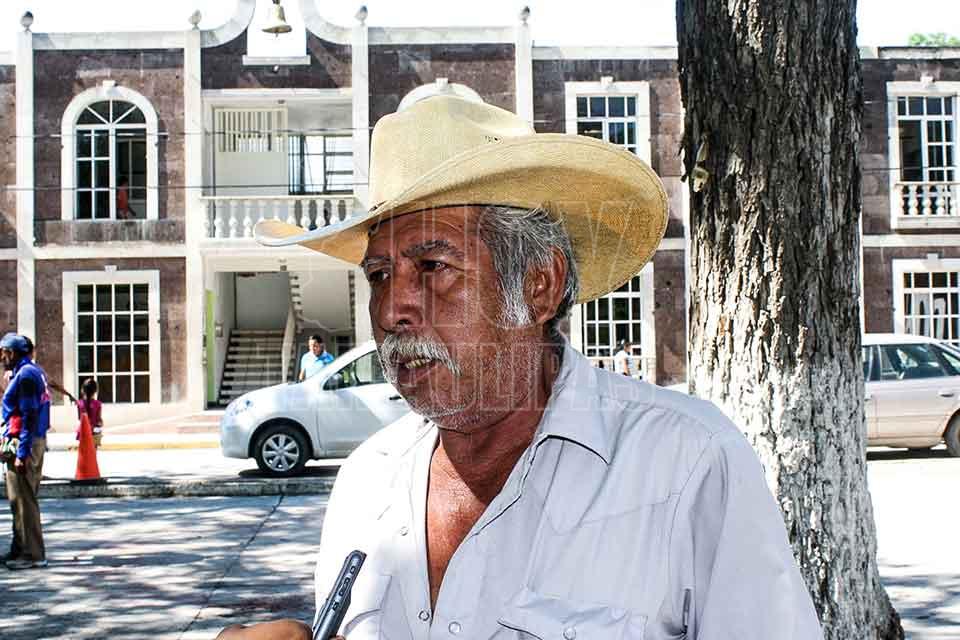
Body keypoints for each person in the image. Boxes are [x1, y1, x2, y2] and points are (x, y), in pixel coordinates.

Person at [221, 96, 822, 638]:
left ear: (539, 285)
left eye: (433, 267)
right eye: (379, 275)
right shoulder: (365, 482)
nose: (392, 308)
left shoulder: (687, 462)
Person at [1, 332, 51, 570]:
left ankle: (33, 554)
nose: (2, 358)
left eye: (4, 353)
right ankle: (19, 548)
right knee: (17, 500)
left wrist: (21, 453)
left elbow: (29, 415)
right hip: (28, 440)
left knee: (25, 501)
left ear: (13, 353)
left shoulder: (27, 375)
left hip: (26, 443)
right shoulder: (30, 371)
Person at [77, 378, 104, 448]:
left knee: (84, 453)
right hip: (94, 433)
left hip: (83, 432)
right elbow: (98, 420)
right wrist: (101, 424)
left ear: (83, 390)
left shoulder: (79, 403)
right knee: (93, 453)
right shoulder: (98, 404)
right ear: (95, 391)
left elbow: (80, 418)